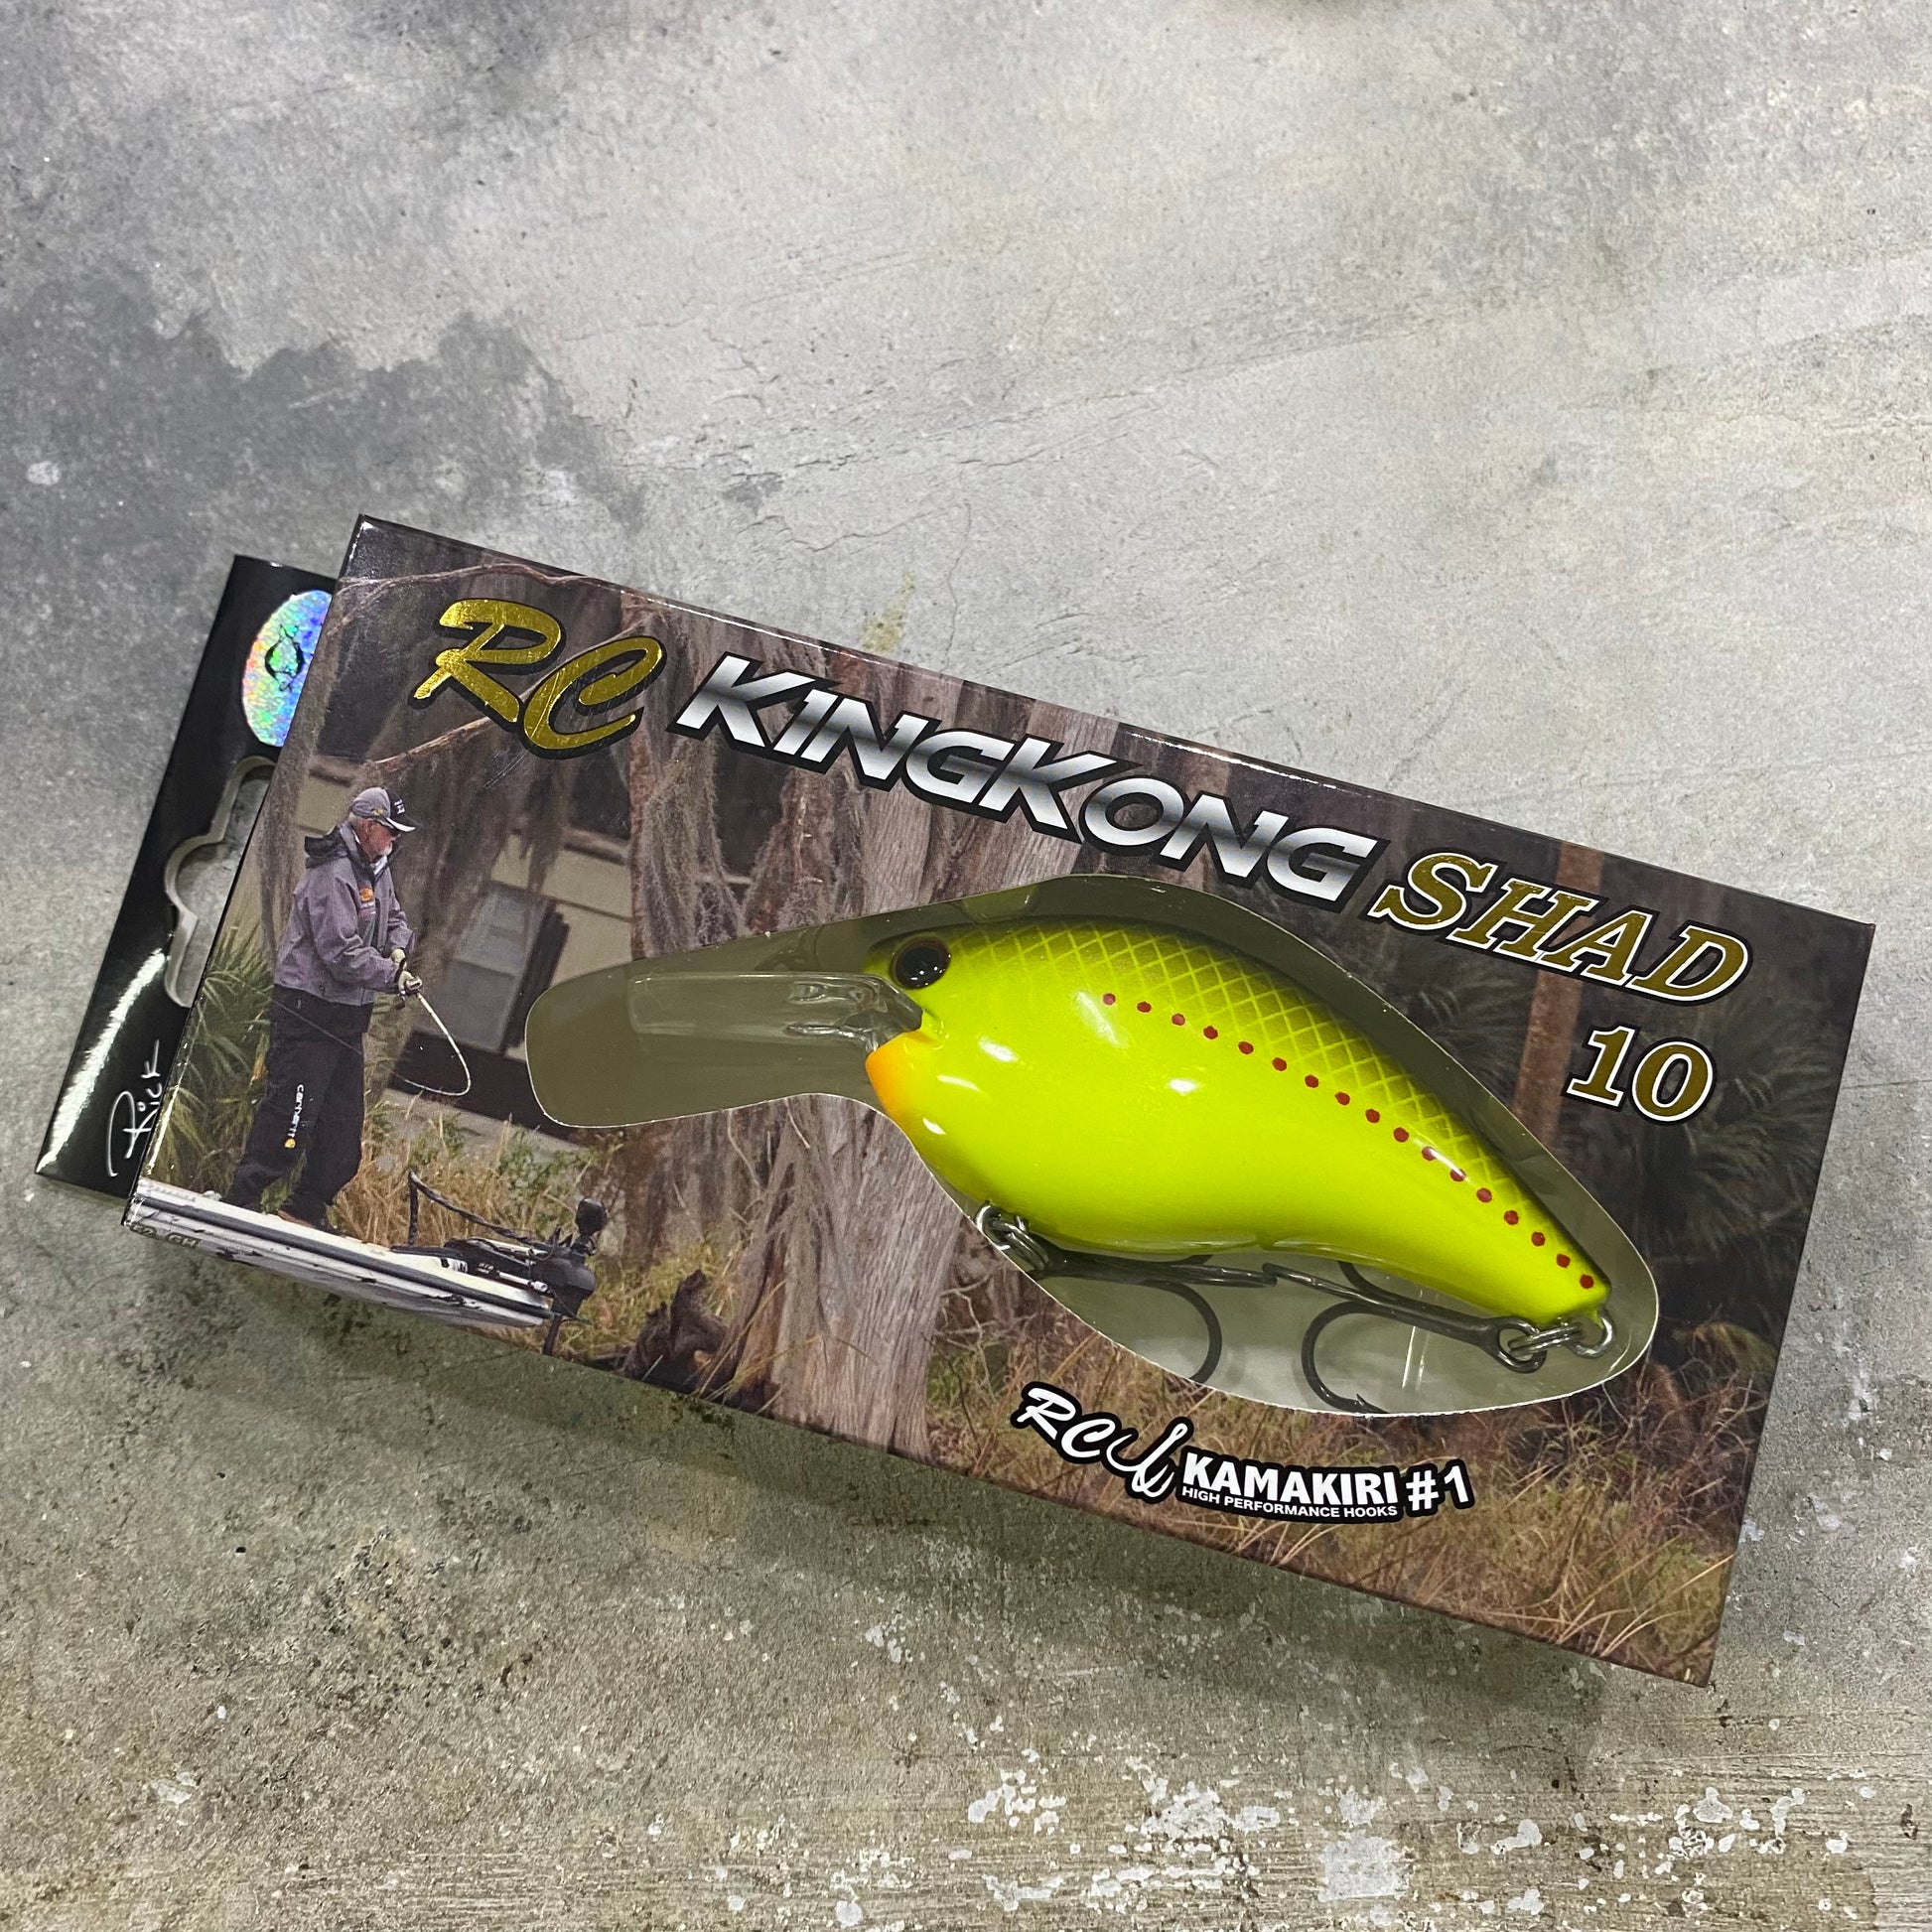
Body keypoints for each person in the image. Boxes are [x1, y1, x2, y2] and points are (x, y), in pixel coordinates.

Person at [223, 787, 421, 1229]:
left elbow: (394, 919)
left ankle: (305, 1208)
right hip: (308, 1010)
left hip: (348, 1018)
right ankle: (243, 1197)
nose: (395, 840)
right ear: (368, 825)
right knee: (291, 1114)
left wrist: (398, 950)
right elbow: (340, 952)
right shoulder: (332, 871)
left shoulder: (378, 869)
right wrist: (390, 976)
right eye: (390, 831)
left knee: (341, 1131)